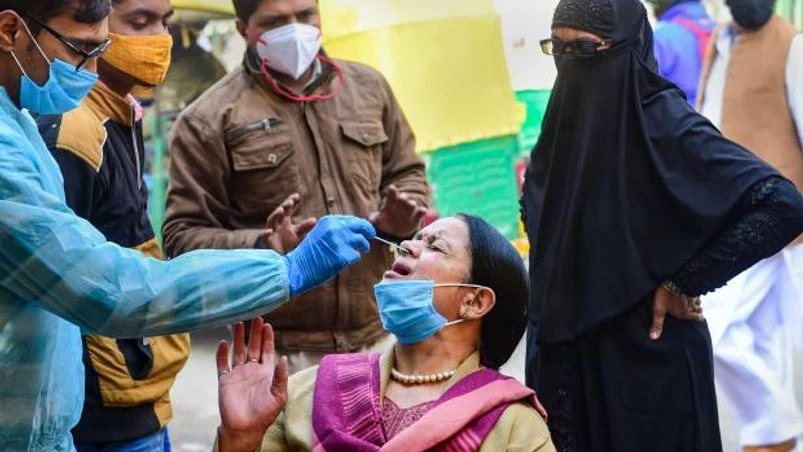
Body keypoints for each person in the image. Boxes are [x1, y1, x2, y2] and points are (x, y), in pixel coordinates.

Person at [0, 1, 376, 449]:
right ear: (10, 31)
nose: (93, 67)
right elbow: (116, 288)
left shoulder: (22, 119)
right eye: (81, 49)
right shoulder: (42, 139)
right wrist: (285, 269)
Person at [521, 0, 803, 450]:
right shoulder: (561, 130)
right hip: (568, 364)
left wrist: (682, 282)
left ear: (627, 48)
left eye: (586, 51)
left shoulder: (665, 126)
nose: (570, 65)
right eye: (557, 49)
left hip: (646, 369)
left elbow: (782, 204)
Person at [162, 0, 429, 373]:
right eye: (275, 22)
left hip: (381, 337)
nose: (295, 30)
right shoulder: (207, 120)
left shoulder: (368, 87)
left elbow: (408, 172)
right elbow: (181, 238)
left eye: (305, 16)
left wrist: (400, 218)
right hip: (280, 353)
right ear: (244, 30)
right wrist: (262, 245)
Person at [214, 215, 557, 452]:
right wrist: (240, 438)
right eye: (414, 239)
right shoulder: (309, 390)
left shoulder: (513, 427)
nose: (406, 246)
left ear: (474, 300)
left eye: (435, 247)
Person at [33, 0, 187, 450]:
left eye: (165, 22)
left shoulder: (123, 111)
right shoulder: (74, 132)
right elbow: (61, 285)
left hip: (140, 392)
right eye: (139, 23)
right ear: (96, 24)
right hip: (101, 414)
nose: (159, 39)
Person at [697, 1, 803, 450]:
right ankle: (780, 435)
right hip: (725, 217)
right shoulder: (719, 42)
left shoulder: (792, 46)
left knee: (717, 333)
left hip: (775, 220)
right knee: (760, 340)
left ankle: (775, 430)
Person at [647, 0, 714, 106]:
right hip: (719, 117)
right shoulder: (721, 31)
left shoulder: (662, 35)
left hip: (679, 117)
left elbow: (647, 89)